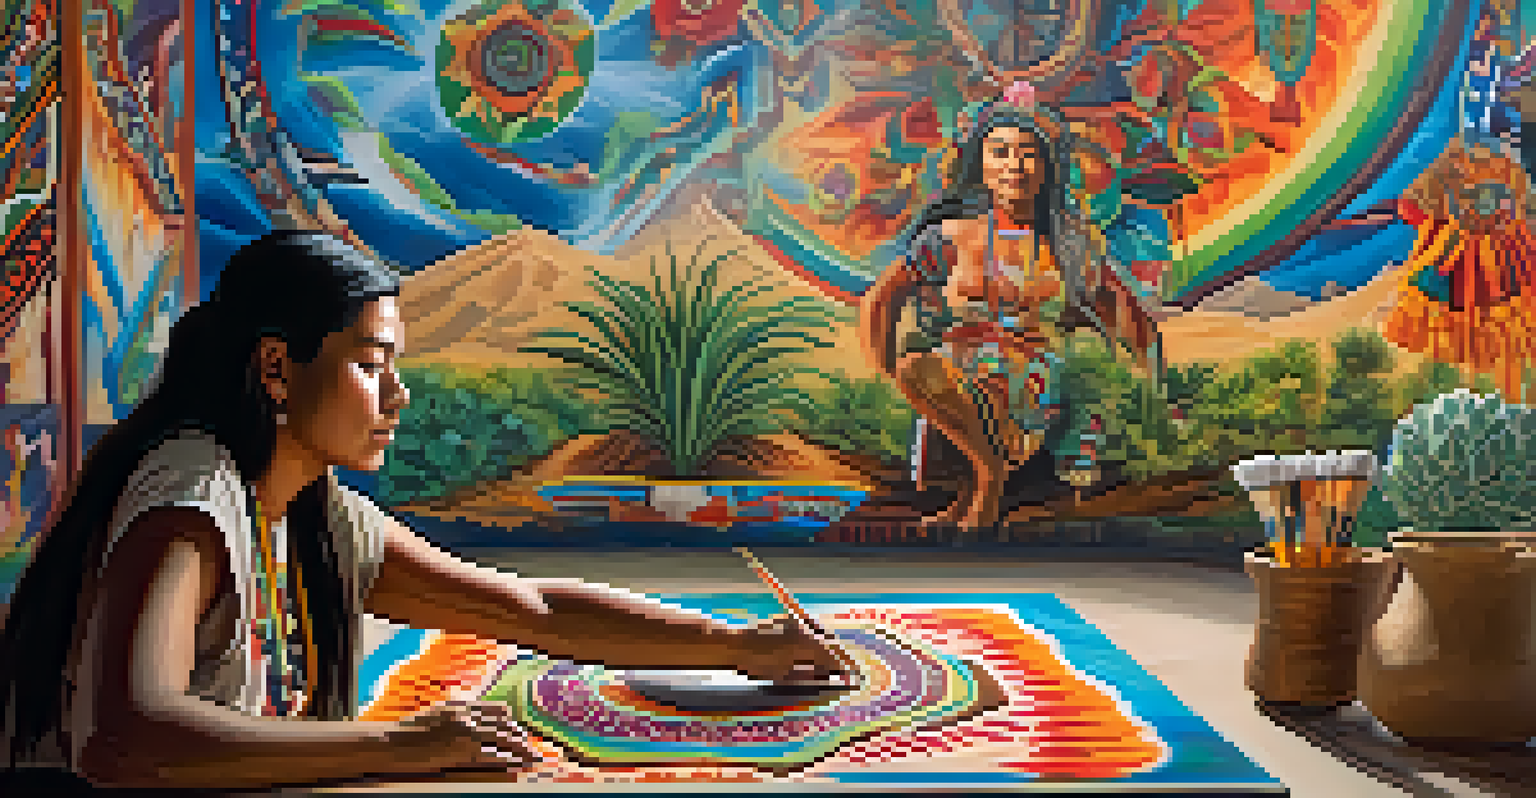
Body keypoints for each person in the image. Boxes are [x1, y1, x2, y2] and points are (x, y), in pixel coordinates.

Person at [0, 230, 846, 791]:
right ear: (276, 369)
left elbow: (532, 609)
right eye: (373, 364)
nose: (397, 397)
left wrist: (733, 644)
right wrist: (401, 747)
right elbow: (120, 739)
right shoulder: (194, 499)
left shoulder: (310, 514)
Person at [860, 83, 1162, 530]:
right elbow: (881, 300)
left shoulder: (1072, 248)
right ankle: (988, 473)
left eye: (1027, 154)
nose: (1013, 166)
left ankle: (986, 488)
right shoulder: (950, 237)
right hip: (958, 386)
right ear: (980, 164)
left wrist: (1149, 395)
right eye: (999, 152)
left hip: (1040, 390)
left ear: (1046, 167)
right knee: (915, 369)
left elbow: (1131, 321)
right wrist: (882, 375)